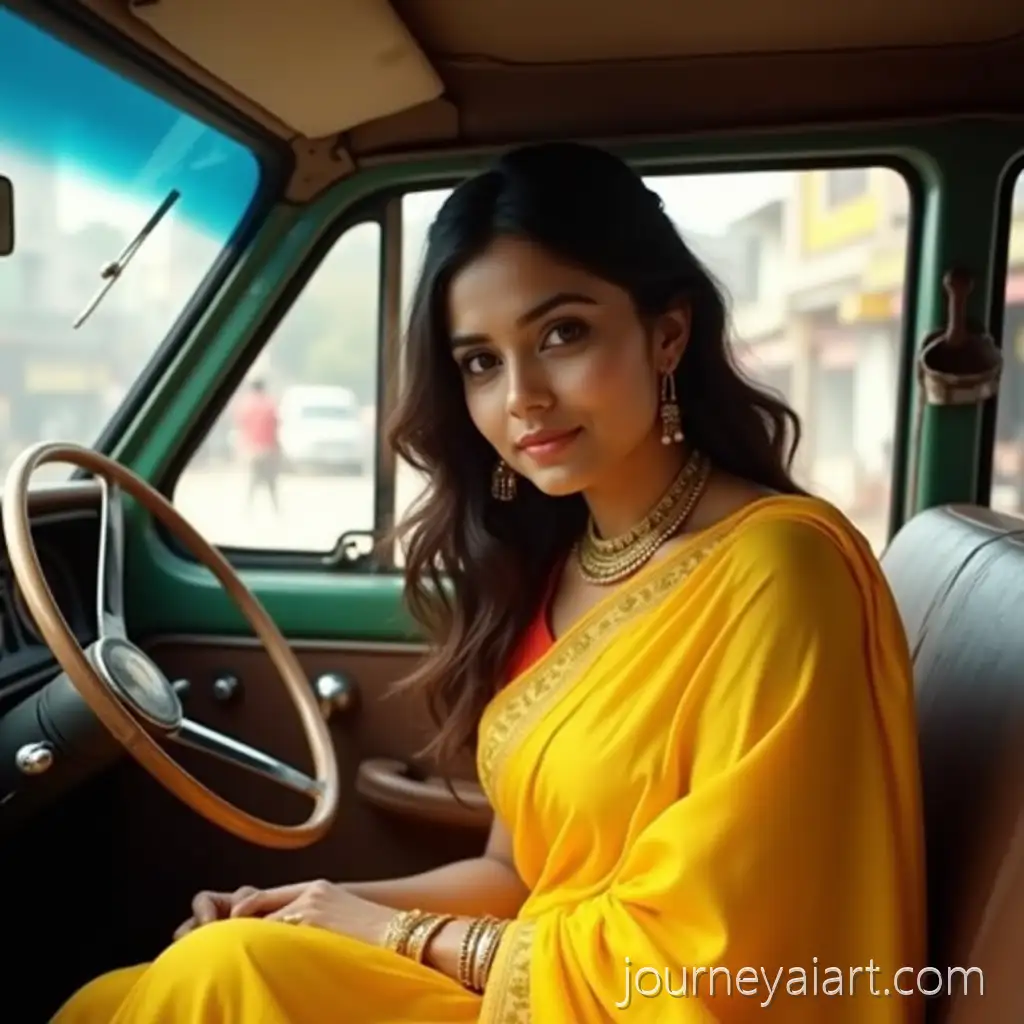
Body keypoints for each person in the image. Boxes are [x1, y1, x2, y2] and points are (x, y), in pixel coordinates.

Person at [54, 143, 927, 1022]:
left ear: (668, 333)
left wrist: (381, 933)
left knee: (224, 980)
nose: (522, 397)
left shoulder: (780, 575)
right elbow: (517, 875)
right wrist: (317, 902)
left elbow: (719, 961)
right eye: (480, 362)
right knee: (148, 984)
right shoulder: (559, 566)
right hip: (541, 985)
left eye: (562, 334)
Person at [234, 378, 281, 512]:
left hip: (251, 449)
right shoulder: (269, 404)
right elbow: (275, 426)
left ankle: (248, 508)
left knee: (252, 481)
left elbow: (240, 426)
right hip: (268, 449)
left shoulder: (245, 405)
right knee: (271, 481)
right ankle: (276, 509)